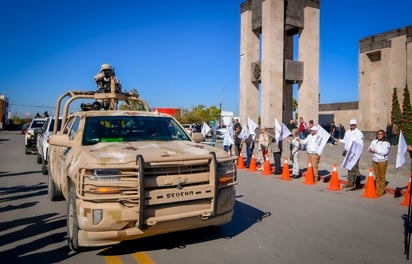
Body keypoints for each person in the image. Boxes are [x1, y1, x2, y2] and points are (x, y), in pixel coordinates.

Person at [334, 119, 364, 189]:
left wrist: (358, 154)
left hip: (354, 153)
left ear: (356, 125)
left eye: (353, 125)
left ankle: (357, 183)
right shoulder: (347, 132)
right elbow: (345, 141)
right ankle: (350, 182)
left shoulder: (359, 133)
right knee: (348, 167)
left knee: (355, 168)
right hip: (347, 152)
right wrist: (339, 140)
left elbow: (361, 144)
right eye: (351, 125)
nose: (352, 126)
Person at [368, 129, 391, 196]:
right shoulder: (374, 141)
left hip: (382, 161)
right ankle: (377, 188)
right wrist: (370, 149)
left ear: (383, 135)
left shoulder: (387, 143)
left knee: (382, 176)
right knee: (377, 176)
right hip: (375, 160)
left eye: (381, 134)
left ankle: (382, 189)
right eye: (378, 134)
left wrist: (375, 151)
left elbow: (384, 152)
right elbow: (369, 148)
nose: (379, 135)